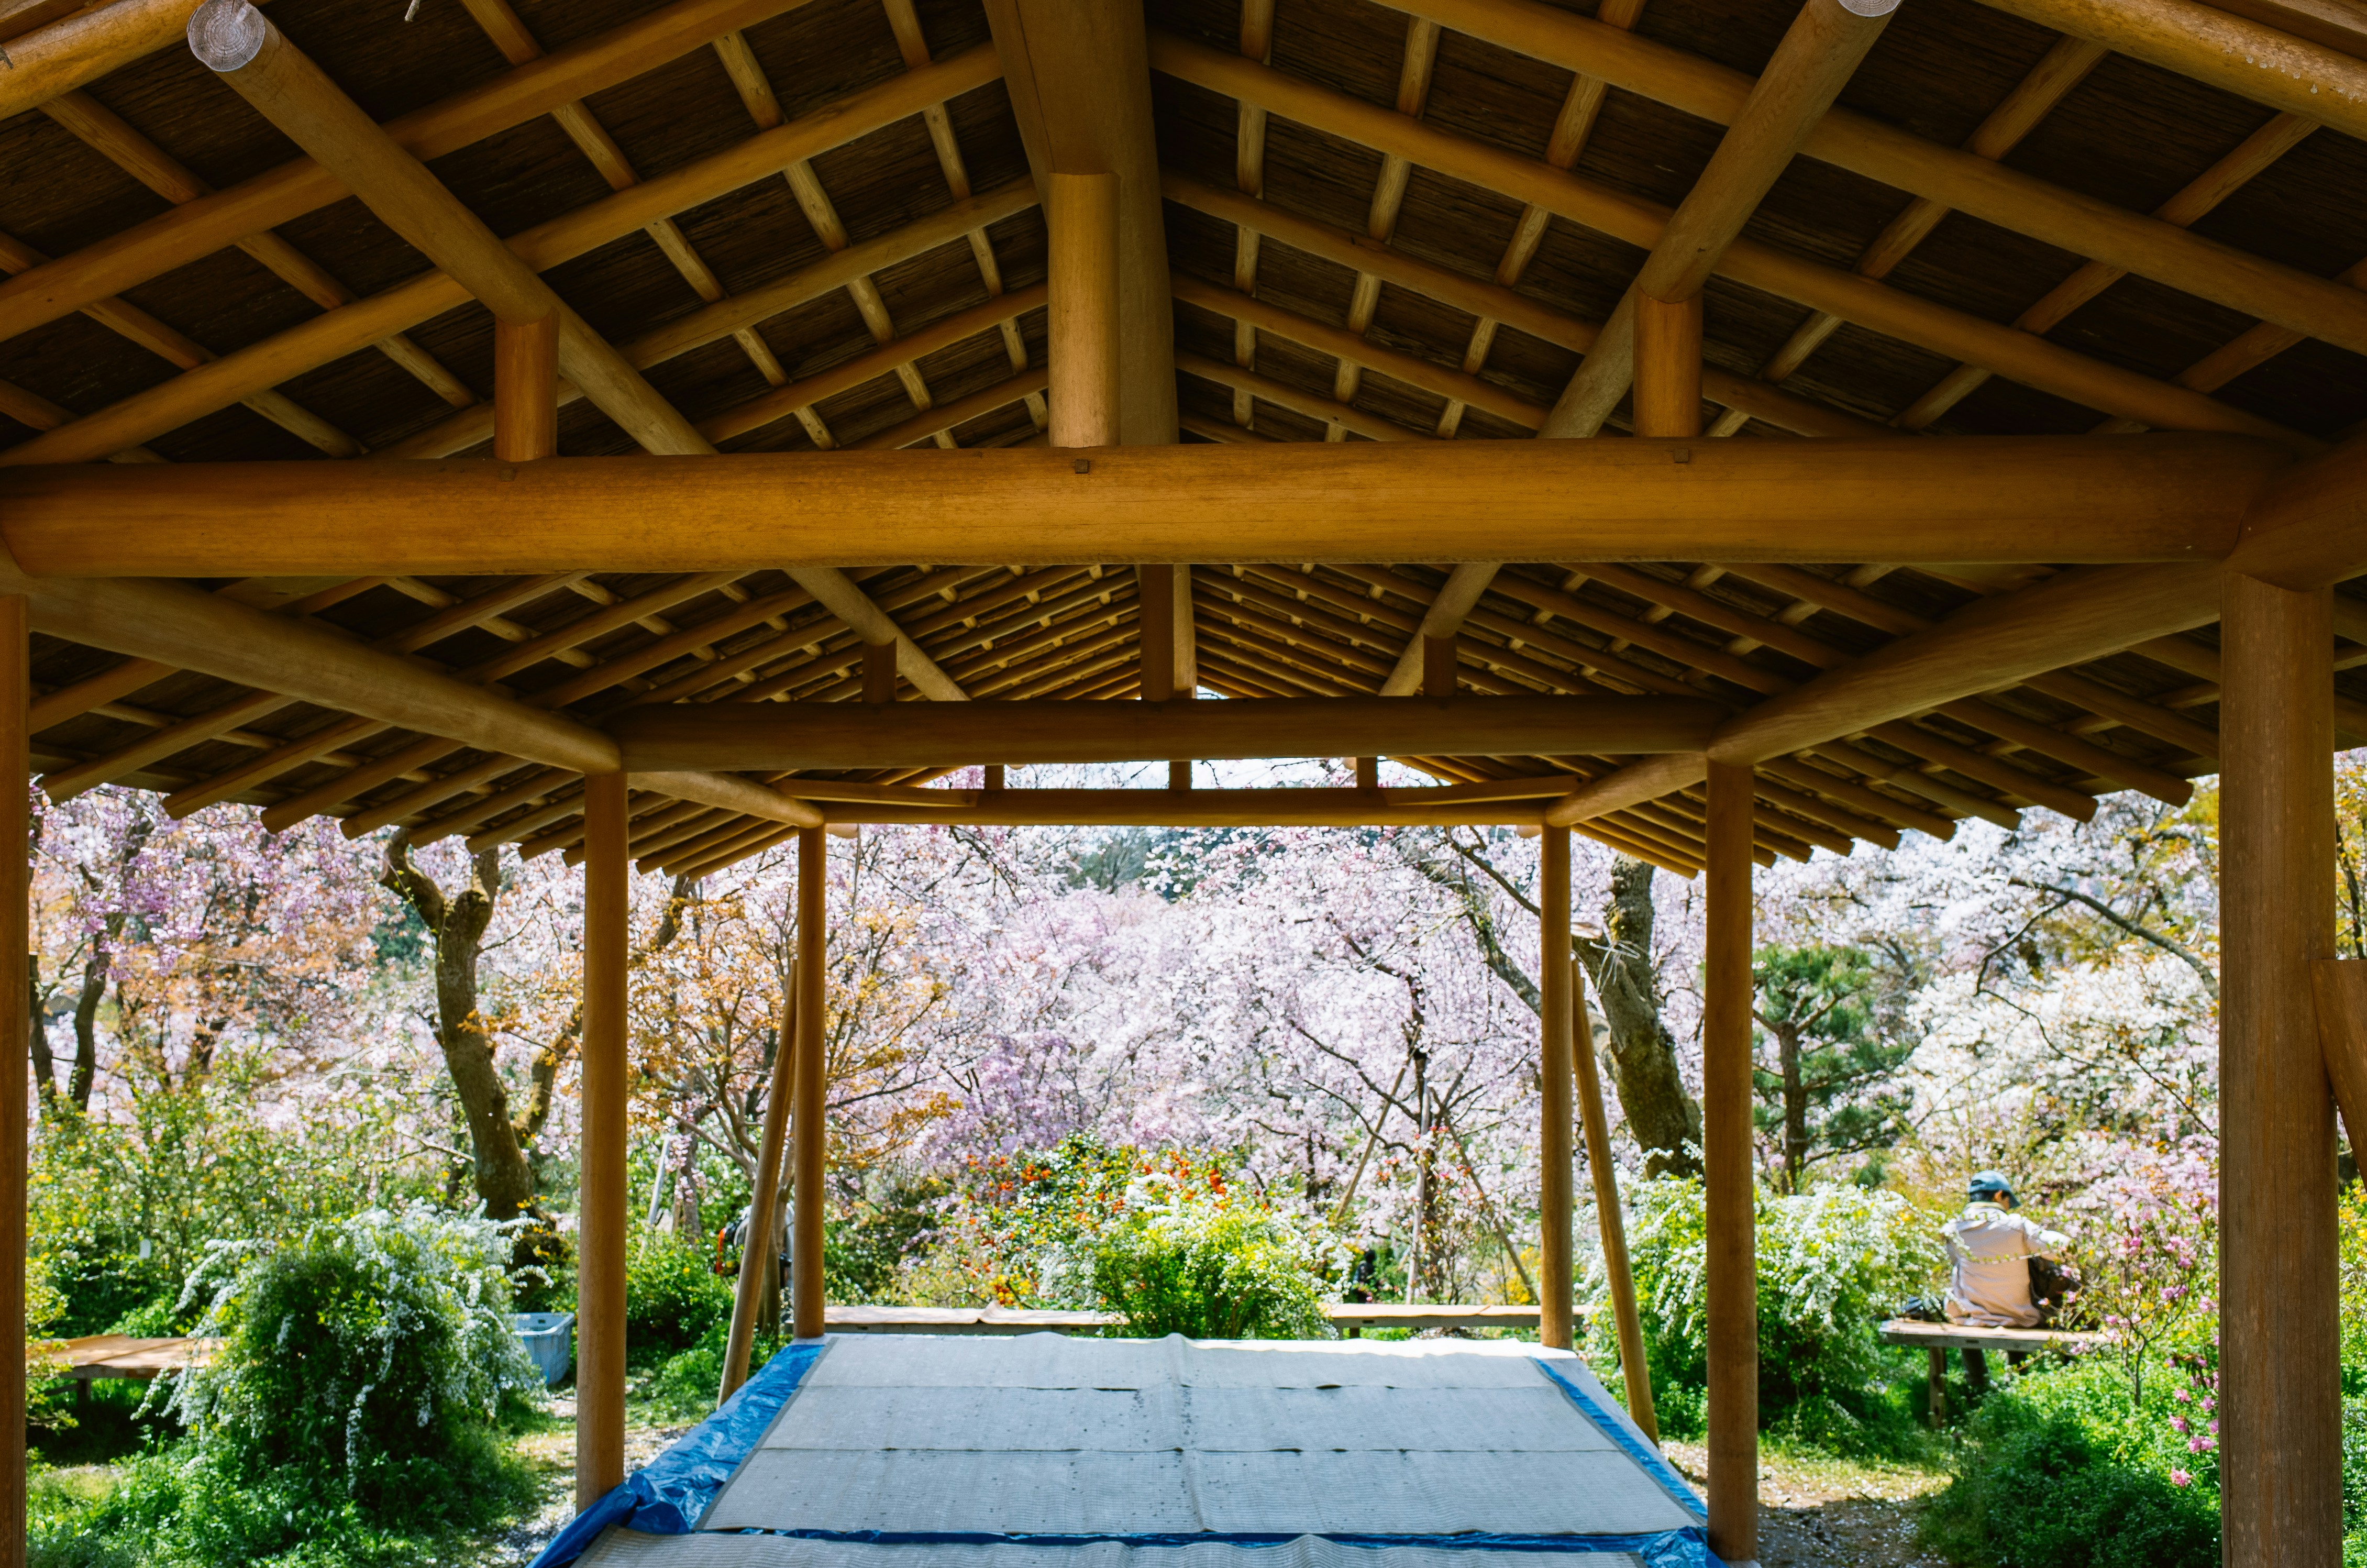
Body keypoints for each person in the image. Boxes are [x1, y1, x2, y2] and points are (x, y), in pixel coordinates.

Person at [1942, 1170, 2070, 1393]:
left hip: (1974, 1315)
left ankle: (1977, 1382)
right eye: (2008, 1201)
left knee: (1962, 1316)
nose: (2010, 1207)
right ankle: (2017, 1382)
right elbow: (2058, 1248)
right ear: (1999, 1195)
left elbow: (1956, 1265)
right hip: (2017, 1313)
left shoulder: (1954, 1228)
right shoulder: (2016, 1226)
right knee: (2020, 1315)